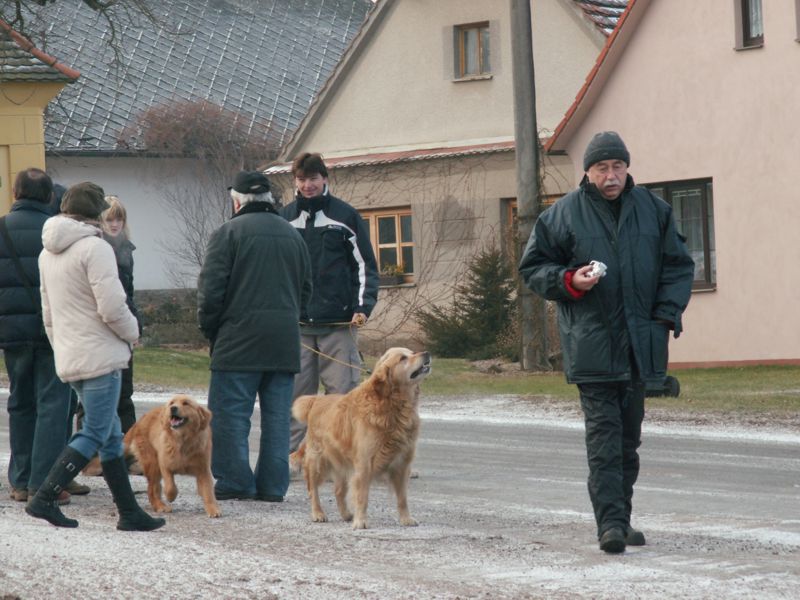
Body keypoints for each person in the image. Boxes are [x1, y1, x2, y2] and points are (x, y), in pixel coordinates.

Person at [518, 131, 694, 554]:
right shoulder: (562, 215)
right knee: (604, 440)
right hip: (591, 345)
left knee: (628, 442)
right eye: (602, 168)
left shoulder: (655, 211)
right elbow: (533, 267)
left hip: (641, 347)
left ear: (627, 168)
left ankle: (622, 518)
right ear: (588, 172)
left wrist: (664, 316)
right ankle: (610, 525)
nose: (611, 175)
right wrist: (569, 280)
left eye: (617, 166)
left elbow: (677, 267)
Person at [27, 182, 165, 531]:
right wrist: (133, 333)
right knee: (95, 431)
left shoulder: (47, 253)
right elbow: (112, 306)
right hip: (100, 355)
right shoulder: (96, 248)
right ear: (95, 214)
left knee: (110, 434)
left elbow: (48, 313)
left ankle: (129, 512)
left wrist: (62, 348)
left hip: (71, 353)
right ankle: (44, 496)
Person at [197, 171, 311, 501]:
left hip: (237, 341)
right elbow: (306, 290)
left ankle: (236, 480)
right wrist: (290, 320)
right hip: (283, 342)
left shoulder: (227, 233)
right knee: (278, 419)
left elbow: (211, 293)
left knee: (231, 417)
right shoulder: (293, 236)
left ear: (237, 201)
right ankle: (273, 486)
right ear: (268, 199)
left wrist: (211, 330)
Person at [280, 153, 379, 456]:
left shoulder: (345, 216)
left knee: (343, 397)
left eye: (313, 178)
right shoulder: (284, 219)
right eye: (301, 179)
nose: (307, 185)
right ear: (295, 181)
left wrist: (362, 307)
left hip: (339, 324)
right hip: (298, 327)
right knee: (296, 399)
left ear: (324, 179)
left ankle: (347, 457)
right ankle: (290, 459)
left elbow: (365, 266)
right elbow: (276, 270)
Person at [0, 168, 74, 505]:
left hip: (12, 331)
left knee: (20, 402)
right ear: (49, 196)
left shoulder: (1, 228)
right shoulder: (57, 232)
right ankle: (44, 483)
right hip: (53, 331)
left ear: (15, 193)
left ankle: (19, 480)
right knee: (53, 405)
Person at [75, 196, 141, 442]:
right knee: (94, 398)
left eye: (119, 219)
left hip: (123, 325)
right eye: (110, 219)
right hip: (100, 329)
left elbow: (129, 295)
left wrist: (135, 326)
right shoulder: (96, 249)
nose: (115, 224)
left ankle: (128, 449)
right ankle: (89, 452)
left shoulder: (126, 250)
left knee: (124, 393)